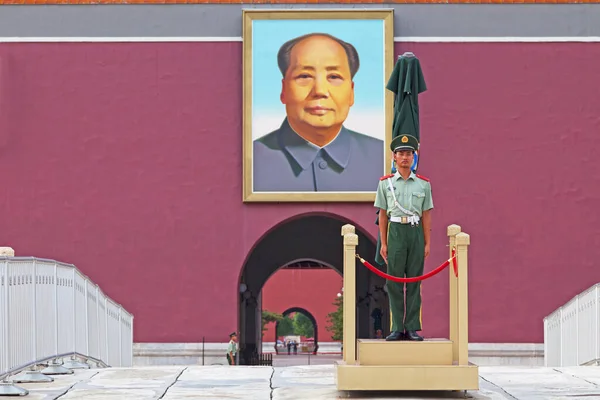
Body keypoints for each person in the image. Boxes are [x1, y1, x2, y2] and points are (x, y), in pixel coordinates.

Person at [253, 32, 384, 192]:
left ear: (351, 92)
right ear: (284, 90)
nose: (320, 90)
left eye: (334, 76)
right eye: (305, 76)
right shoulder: (250, 161)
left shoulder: (385, 159)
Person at [374, 134, 433, 342]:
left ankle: (412, 327)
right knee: (395, 282)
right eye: (401, 154)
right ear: (394, 157)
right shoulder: (385, 184)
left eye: (408, 154)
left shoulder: (423, 185)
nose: (405, 157)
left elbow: (426, 214)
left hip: (415, 231)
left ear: (413, 157)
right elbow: (382, 214)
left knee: (415, 281)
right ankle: (397, 327)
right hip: (396, 230)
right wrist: (384, 242)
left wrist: (427, 242)